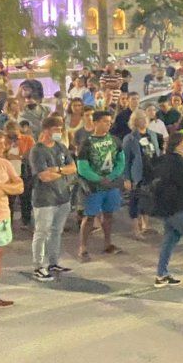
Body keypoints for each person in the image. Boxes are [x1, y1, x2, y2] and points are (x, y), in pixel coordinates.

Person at [29, 117, 76, 282]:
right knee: (41, 232)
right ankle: (38, 266)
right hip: (44, 199)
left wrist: (58, 169)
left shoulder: (61, 147)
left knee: (56, 231)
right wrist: (62, 172)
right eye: (56, 129)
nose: (59, 132)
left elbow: (73, 168)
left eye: (60, 129)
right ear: (46, 130)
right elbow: (44, 176)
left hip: (62, 197)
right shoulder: (37, 150)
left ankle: (53, 262)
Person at [76, 111, 126, 261]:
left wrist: (111, 176)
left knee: (109, 215)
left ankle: (107, 243)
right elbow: (82, 167)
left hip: (111, 185)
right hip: (94, 187)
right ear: (96, 122)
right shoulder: (87, 143)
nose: (108, 124)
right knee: (89, 216)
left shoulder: (115, 141)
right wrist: (98, 178)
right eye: (105, 121)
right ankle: (83, 247)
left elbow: (121, 161)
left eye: (110, 121)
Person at [151, 132, 183, 287]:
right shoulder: (176, 162)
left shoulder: (169, 160)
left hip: (167, 208)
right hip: (178, 207)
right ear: (178, 144)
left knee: (169, 240)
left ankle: (161, 274)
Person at [0, 128, 24, 307]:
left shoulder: (4, 163)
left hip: (2, 216)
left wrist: (2, 188)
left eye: (3, 143)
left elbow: (19, 186)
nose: (2, 146)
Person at [122, 110, 161, 240]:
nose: (143, 120)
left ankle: (145, 225)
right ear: (134, 121)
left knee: (148, 199)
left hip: (151, 172)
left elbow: (157, 152)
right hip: (137, 173)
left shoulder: (153, 135)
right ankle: (135, 228)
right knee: (135, 200)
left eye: (145, 118)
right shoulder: (130, 138)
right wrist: (127, 177)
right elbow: (126, 159)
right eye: (140, 118)